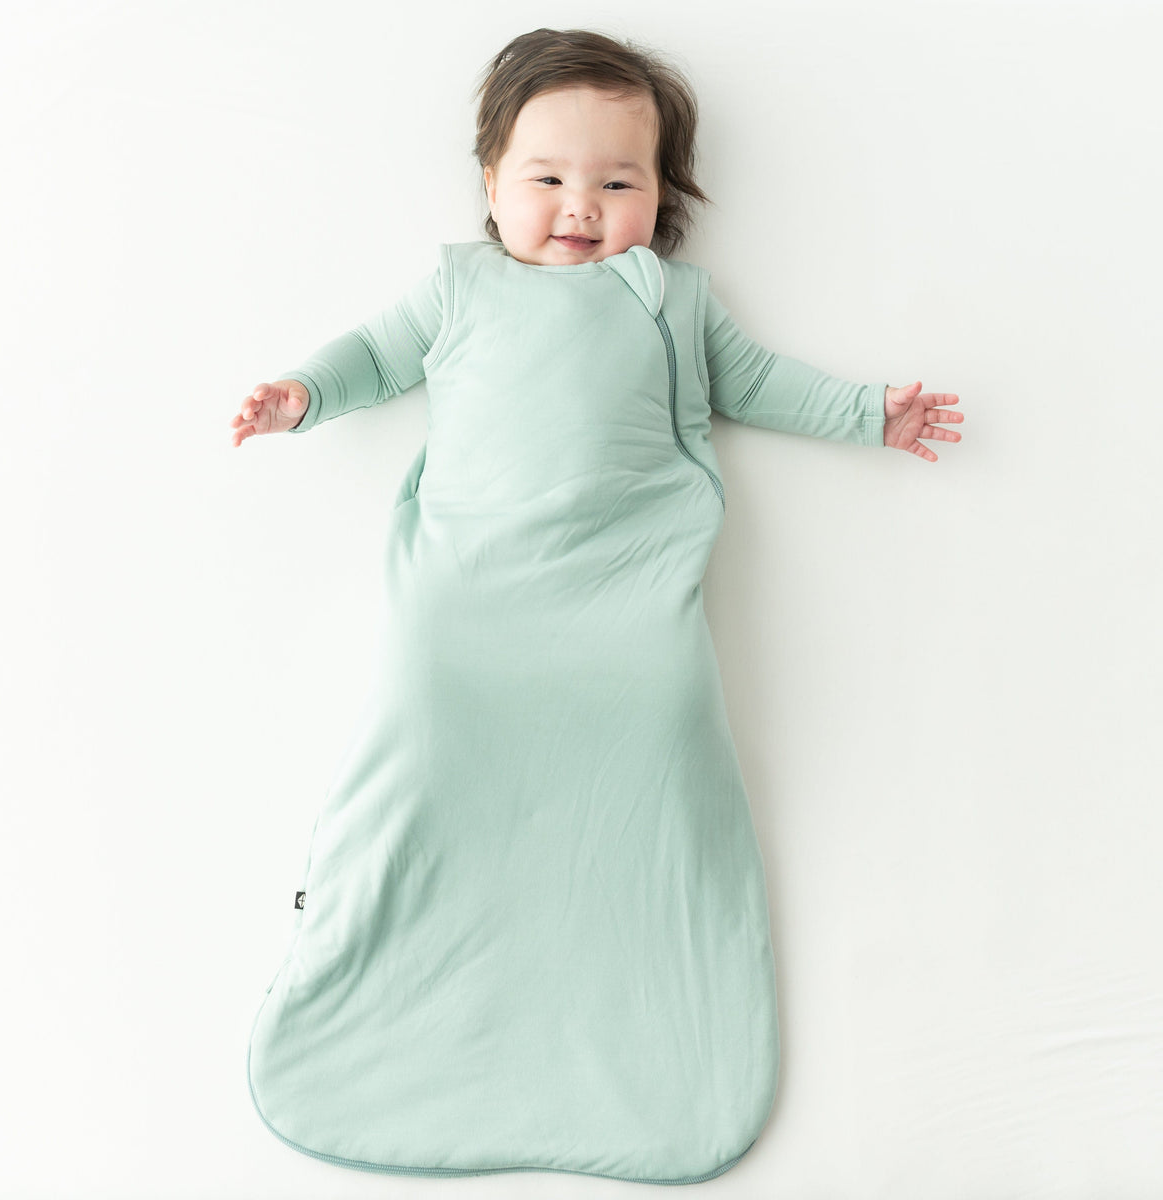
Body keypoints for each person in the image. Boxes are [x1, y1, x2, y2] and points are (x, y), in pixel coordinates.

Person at [237, 27, 963, 1187]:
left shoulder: (671, 301)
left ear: (664, 196)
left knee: (668, 746)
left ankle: (642, 1018)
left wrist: (872, 412)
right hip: (468, 611)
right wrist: (303, 393)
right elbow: (376, 357)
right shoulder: (457, 286)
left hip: (626, 609)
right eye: (549, 179)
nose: (582, 207)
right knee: (416, 746)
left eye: (618, 182)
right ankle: (385, 970)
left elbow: (762, 382)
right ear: (491, 183)